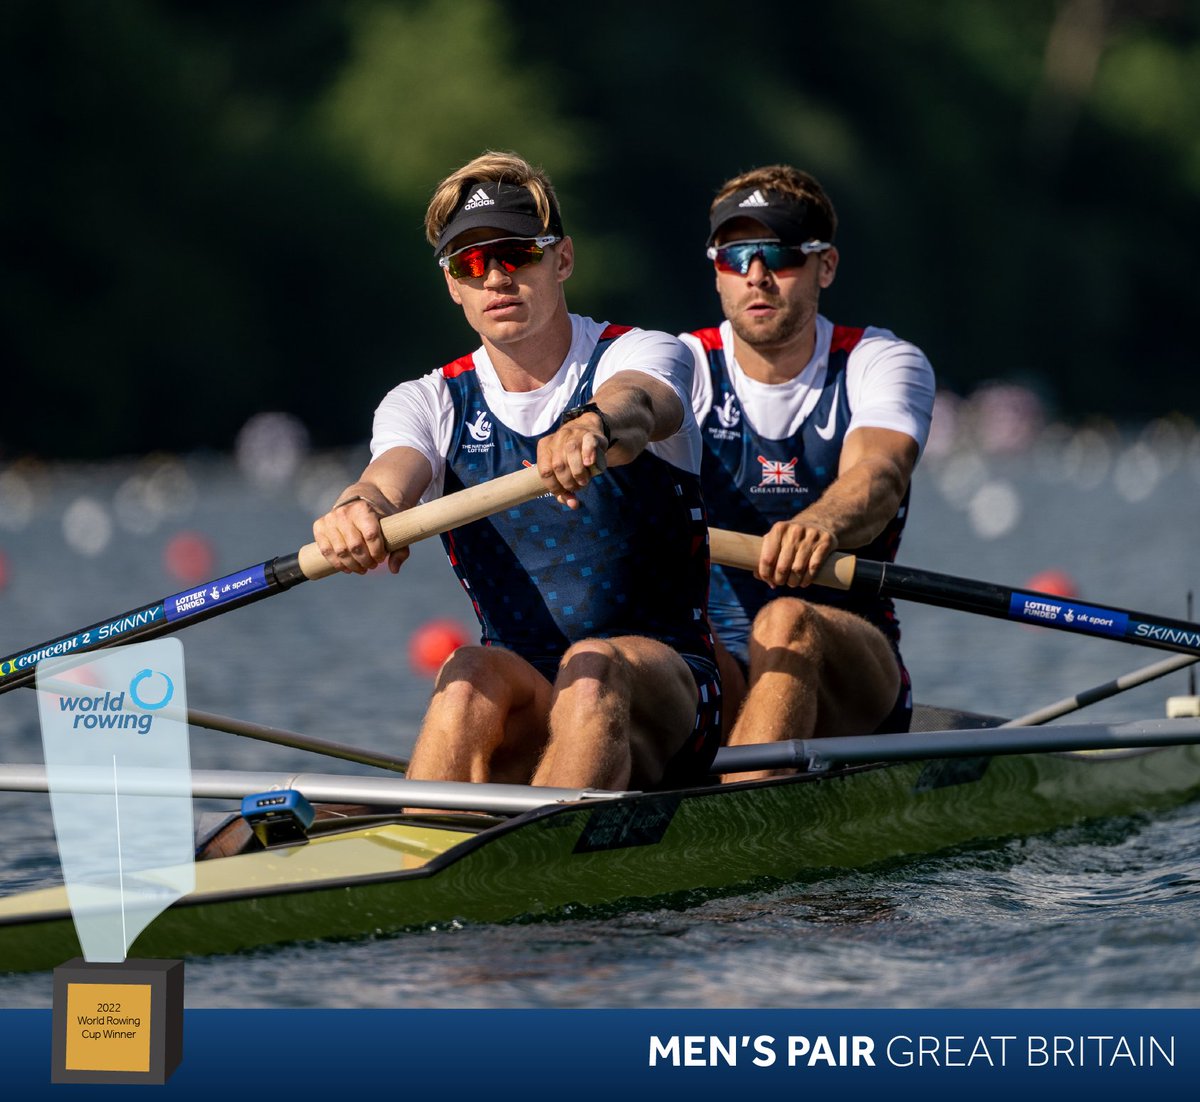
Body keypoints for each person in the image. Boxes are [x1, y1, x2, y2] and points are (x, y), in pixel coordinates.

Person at [313, 151, 720, 792]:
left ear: (562, 259)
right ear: (453, 284)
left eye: (517, 253)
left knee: (592, 668)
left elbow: (642, 405)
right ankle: (431, 836)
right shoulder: (428, 401)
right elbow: (386, 480)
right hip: (529, 694)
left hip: (672, 691)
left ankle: (527, 837)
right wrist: (358, 511)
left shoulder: (640, 352)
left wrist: (593, 424)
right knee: (466, 673)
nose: (497, 278)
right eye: (471, 263)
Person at [679, 165, 935, 781]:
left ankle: (737, 815)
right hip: (721, 673)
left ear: (826, 266)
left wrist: (819, 524)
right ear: (717, 271)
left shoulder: (879, 362)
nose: (756, 275)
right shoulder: (681, 366)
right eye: (735, 256)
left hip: (854, 677)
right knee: (634, 647)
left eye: (780, 254)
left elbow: (879, 475)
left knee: (786, 620)